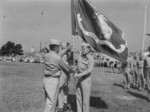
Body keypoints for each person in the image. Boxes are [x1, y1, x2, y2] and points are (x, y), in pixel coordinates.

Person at [43, 39, 74, 112]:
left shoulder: (46, 55)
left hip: (46, 80)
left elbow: (58, 55)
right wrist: (74, 70)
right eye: (59, 47)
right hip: (53, 81)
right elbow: (67, 68)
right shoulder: (57, 58)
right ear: (56, 47)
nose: (59, 49)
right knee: (52, 103)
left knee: (48, 101)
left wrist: (66, 50)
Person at [74, 43, 94, 112]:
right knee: (78, 97)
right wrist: (76, 72)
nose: (82, 50)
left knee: (85, 99)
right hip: (78, 79)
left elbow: (89, 70)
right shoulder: (80, 56)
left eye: (84, 48)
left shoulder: (91, 58)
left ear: (88, 49)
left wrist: (79, 75)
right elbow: (78, 65)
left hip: (86, 80)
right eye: (82, 48)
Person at [58, 42, 73, 112]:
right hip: (62, 73)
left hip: (67, 73)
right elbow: (60, 54)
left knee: (66, 88)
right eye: (65, 46)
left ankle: (64, 103)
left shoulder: (68, 53)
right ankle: (60, 105)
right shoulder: (60, 53)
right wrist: (66, 50)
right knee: (60, 88)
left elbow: (70, 62)